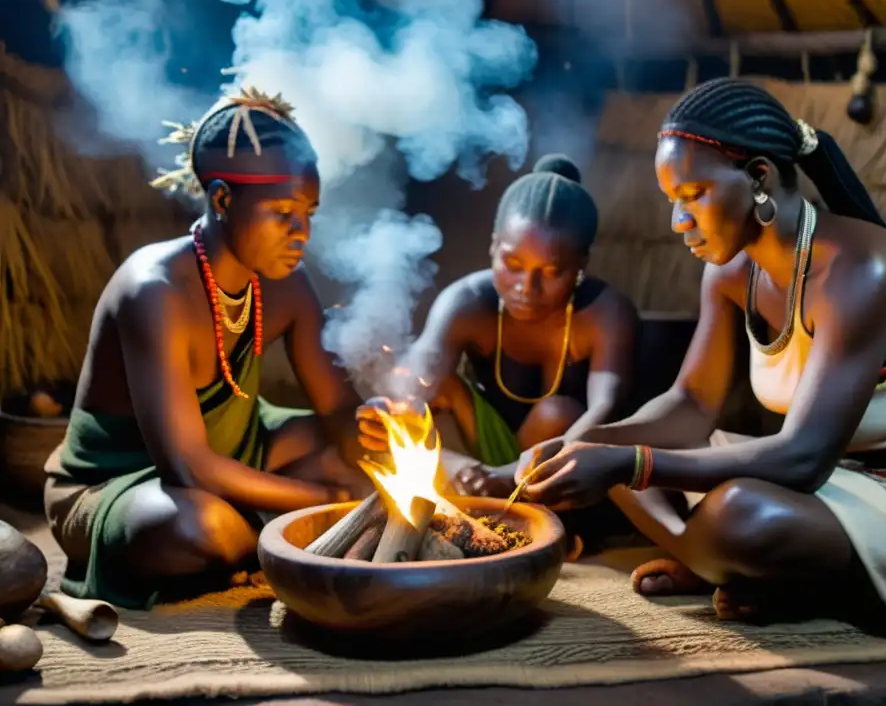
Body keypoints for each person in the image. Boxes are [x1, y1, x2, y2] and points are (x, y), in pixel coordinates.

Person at [514, 78, 886, 638]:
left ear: (759, 178)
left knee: (738, 511)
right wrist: (593, 447)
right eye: (673, 201)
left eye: (692, 196)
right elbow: (692, 404)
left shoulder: (859, 272)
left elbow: (802, 459)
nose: (678, 222)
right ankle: (730, 563)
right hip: (833, 486)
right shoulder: (730, 270)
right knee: (604, 452)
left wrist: (630, 463)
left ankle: (733, 563)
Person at [43, 87, 372, 610]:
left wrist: (377, 427)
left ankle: (273, 530)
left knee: (357, 465)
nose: (301, 231)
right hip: (119, 485)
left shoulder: (288, 284)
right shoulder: (155, 290)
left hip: (236, 452)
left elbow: (335, 409)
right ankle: (272, 532)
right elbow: (188, 468)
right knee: (205, 529)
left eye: (309, 212)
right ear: (222, 199)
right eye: (283, 211)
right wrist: (333, 502)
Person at [358, 154, 638, 500]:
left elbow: (604, 412)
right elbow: (422, 366)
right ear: (493, 246)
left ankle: (514, 505)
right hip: (483, 457)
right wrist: (390, 407)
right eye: (512, 264)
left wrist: (508, 476)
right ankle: (466, 479)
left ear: (581, 264)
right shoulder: (468, 300)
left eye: (551, 272)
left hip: (566, 464)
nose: (526, 286)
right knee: (436, 386)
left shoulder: (605, 312)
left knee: (556, 413)